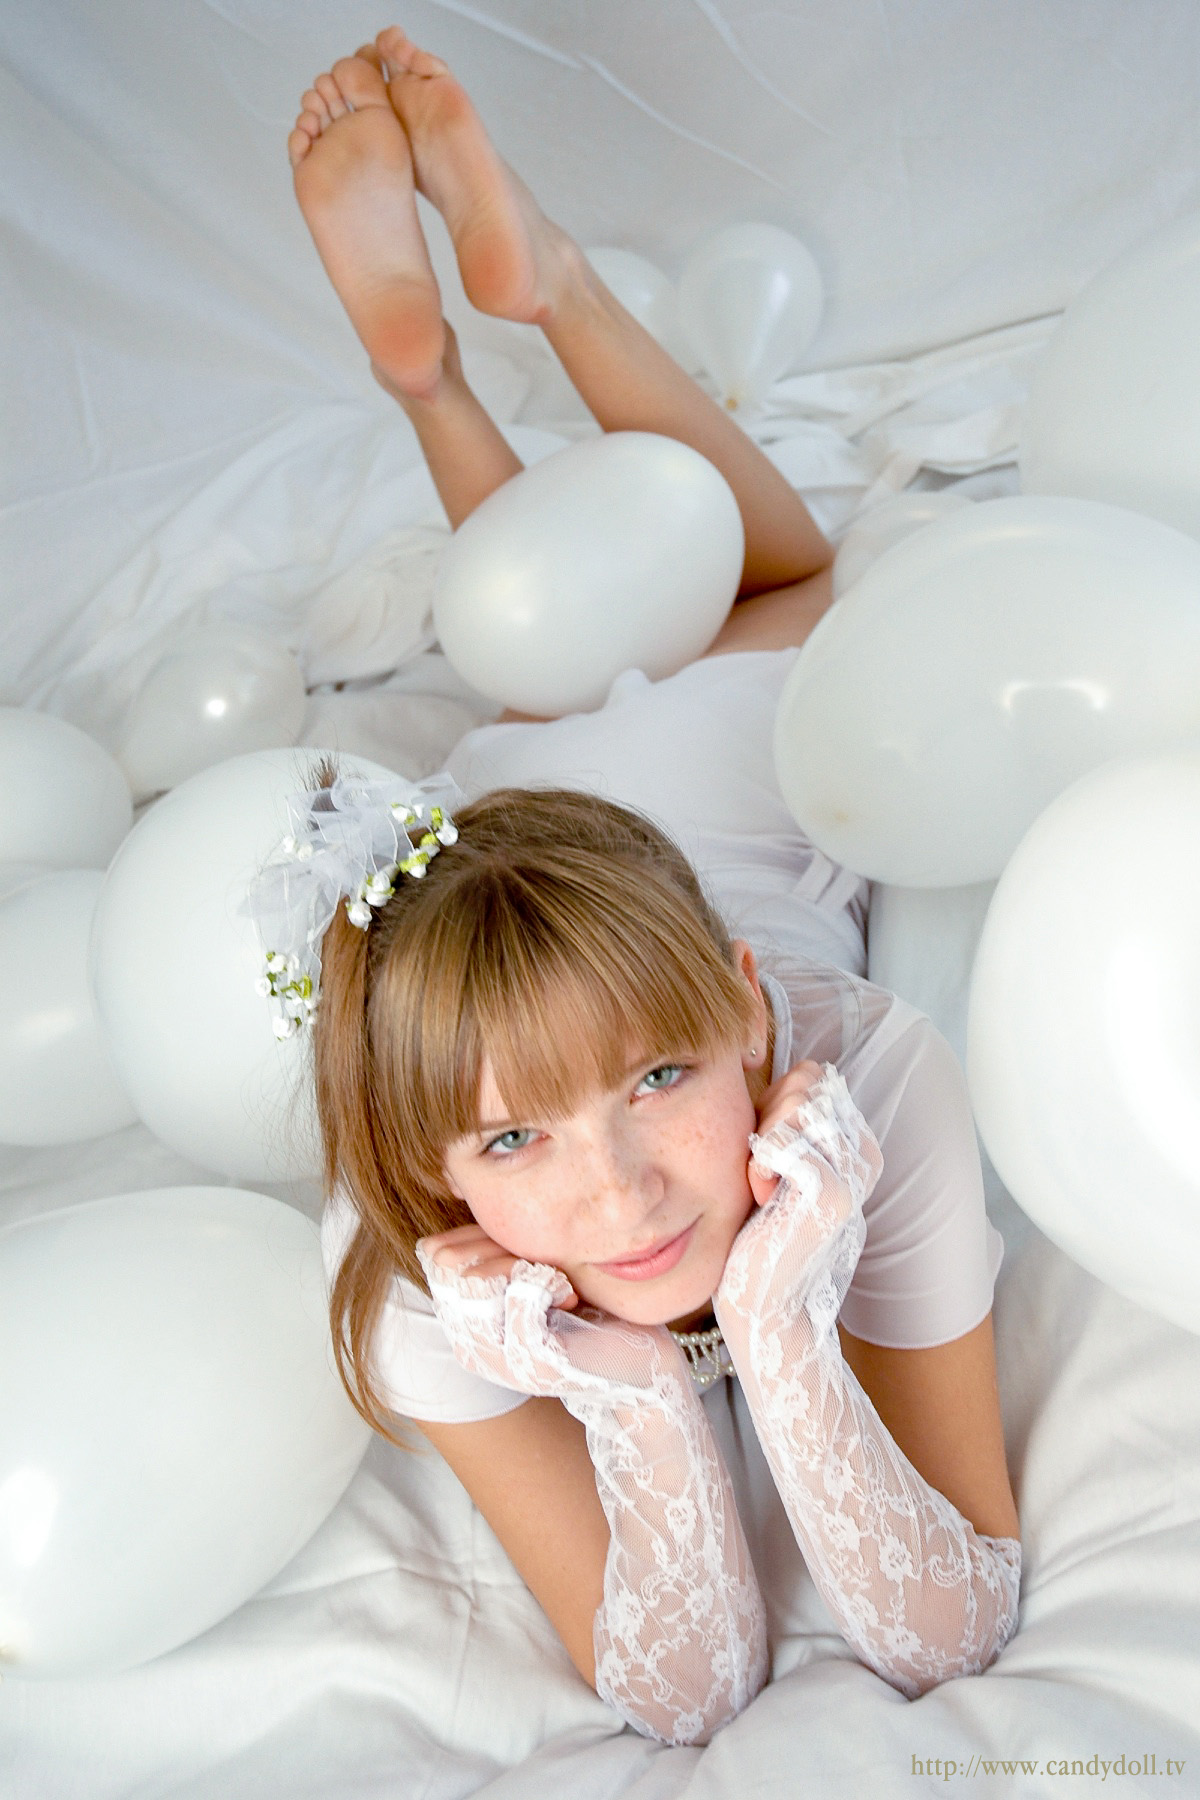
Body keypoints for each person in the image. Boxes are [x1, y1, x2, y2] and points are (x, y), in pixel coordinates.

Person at [275, 26, 1022, 1748]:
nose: (618, 1195)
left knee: (783, 591)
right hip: (523, 831)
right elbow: (685, 1694)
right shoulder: (404, 1259)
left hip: (702, 784)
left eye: (665, 1075)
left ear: (752, 1009)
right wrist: (625, 1391)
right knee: (589, 644)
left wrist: (786, 1328)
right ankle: (489, 329)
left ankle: (489, 338)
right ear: (429, 1164)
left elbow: (956, 1630)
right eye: (512, 1144)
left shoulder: (867, 1071)